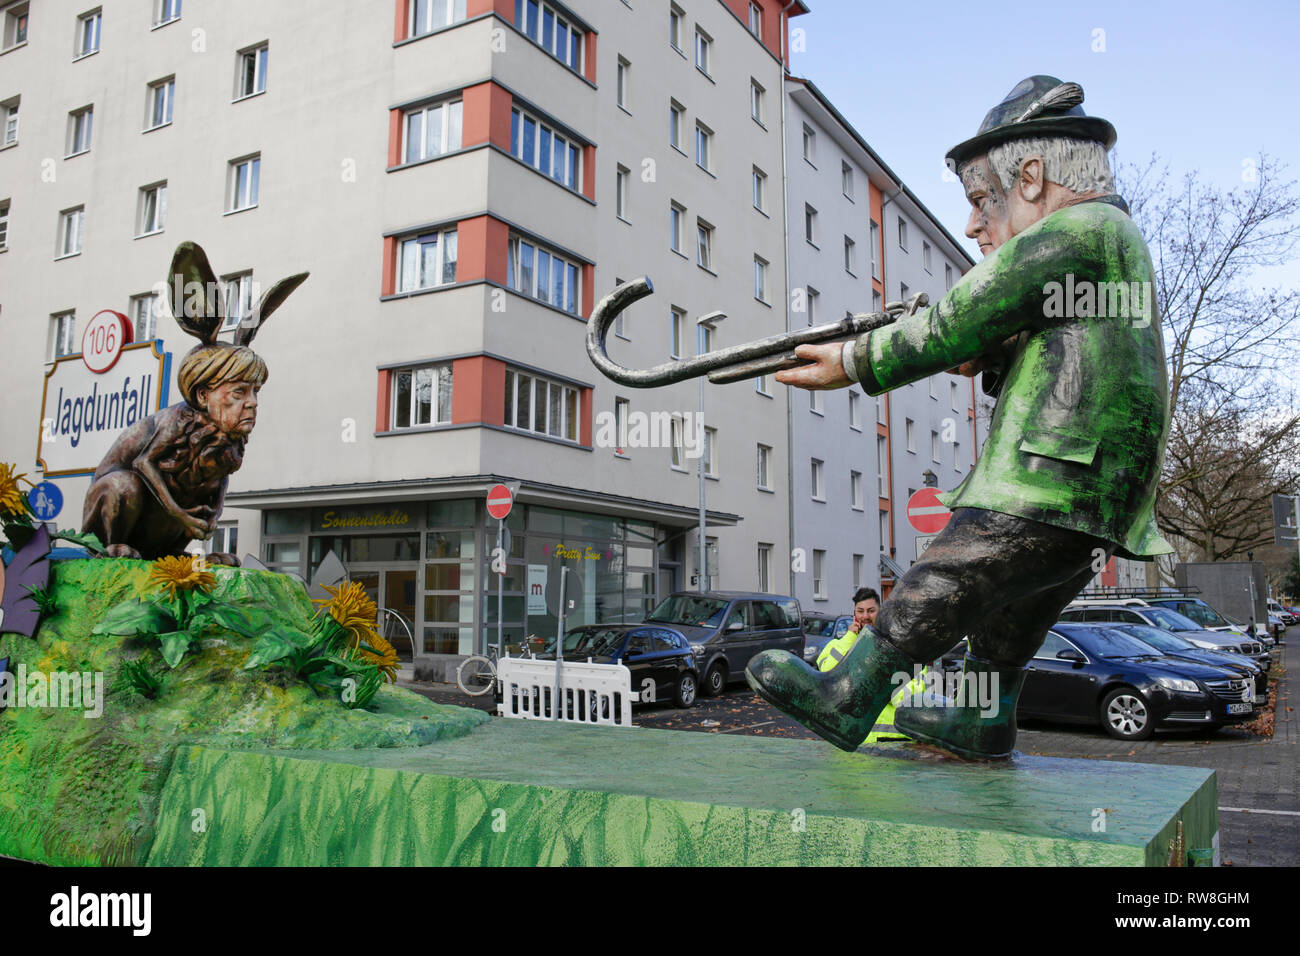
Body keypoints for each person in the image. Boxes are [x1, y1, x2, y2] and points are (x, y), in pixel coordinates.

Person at [746, 76, 1171, 759]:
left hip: (1052, 470)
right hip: (1101, 485)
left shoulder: (1080, 229)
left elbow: (961, 315)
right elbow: (1052, 343)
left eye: (981, 202)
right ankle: (985, 717)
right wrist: (992, 353)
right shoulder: (1110, 243)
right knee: (1013, 607)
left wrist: (856, 360)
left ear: (1030, 177)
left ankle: (850, 695)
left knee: (951, 573)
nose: (974, 225)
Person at [816, 588, 924, 743]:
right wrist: (850, 637)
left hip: (893, 740)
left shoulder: (901, 647)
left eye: (871, 611)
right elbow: (828, 671)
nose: (865, 616)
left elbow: (908, 699)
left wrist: (882, 683)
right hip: (852, 741)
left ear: (881, 612)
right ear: (854, 614)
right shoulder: (842, 644)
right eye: (860, 611)